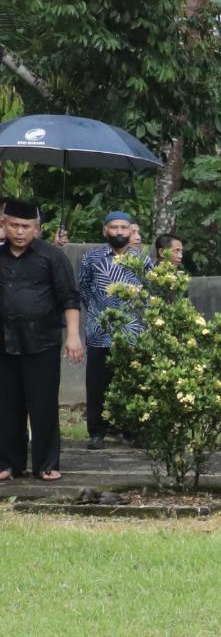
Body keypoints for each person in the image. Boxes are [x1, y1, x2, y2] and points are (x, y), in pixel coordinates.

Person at [0, 197, 82, 481]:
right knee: (7, 405)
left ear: (37, 228)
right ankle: (9, 464)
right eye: (13, 225)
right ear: (3, 225)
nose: (19, 232)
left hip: (42, 340)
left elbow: (69, 298)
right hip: (4, 342)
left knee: (43, 404)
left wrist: (73, 336)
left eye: (26, 226)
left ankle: (46, 463)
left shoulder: (52, 256)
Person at [77, 210, 147, 444]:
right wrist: (101, 312)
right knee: (98, 384)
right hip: (99, 331)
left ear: (131, 231)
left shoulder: (142, 259)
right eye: (114, 227)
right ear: (105, 230)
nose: (119, 232)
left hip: (133, 332)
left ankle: (132, 430)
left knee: (132, 382)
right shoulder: (92, 258)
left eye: (123, 227)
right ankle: (97, 432)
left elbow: (149, 292)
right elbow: (84, 291)